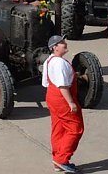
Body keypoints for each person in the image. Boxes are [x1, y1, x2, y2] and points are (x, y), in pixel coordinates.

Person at [42, 35, 84, 173]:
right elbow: (62, 86)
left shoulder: (49, 61)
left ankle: (57, 160)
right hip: (62, 98)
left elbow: (46, 83)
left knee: (58, 128)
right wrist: (71, 102)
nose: (65, 43)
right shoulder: (59, 63)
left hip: (52, 97)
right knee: (75, 128)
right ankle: (62, 159)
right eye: (61, 43)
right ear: (54, 47)